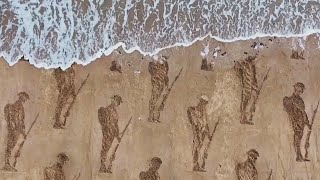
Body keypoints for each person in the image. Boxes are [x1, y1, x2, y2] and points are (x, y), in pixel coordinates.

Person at [2, 92, 29, 172]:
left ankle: (8, 163)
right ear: (21, 98)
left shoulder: (19, 106)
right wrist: (23, 132)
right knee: (10, 146)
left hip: (15, 130)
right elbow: (19, 122)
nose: (25, 100)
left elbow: (21, 121)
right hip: (15, 130)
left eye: (25, 98)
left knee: (12, 146)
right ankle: (7, 164)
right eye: (24, 98)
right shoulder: (18, 107)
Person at [283, 82, 311, 162]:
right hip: (296, 122)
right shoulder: (291, 100)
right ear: (297, 89)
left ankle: (299, 156)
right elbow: (291, 113)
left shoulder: (299, 99)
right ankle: (298, 156)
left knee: (299, 138)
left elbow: (303, 112)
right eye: (300, 89)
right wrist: (295, 122)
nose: (301, 91)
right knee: (297, 138)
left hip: (301, 121)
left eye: (302, 90)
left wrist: (307, 122)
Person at [98, 95, 123, 173]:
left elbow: (115, 124)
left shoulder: (113, 110)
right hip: (108, 132)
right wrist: (115, 134)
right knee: (105, 149)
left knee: (109, 149)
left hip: (112, 133)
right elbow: (110, 124)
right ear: (114, 100)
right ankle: (102, 166)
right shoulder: (109, 110)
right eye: (118, 101)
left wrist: (117, 135)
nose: (119, 103)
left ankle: (106, 166)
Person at [187, 95, 211, 172]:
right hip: (197, 132)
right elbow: (194, 122)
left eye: (205, 103)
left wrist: (209, 135)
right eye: (203, 102)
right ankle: (195, 165)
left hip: (203, 133)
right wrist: (197, 134)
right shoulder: (193, 110)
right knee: (196, 147)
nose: (204, 105)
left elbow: (206, 124)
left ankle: (197, 164)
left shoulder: (204, 113)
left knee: (199, 148)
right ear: (200, 101)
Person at [234, 56, 258, 125]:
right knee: (245, 101)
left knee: (251, 100)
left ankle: (248, 117)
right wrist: (241, 78)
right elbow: (236, 67)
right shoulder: (243, 63)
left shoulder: (252, 65)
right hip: (246, 85)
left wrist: (255, 86)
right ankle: (243, 118)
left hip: (251, 85)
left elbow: (254, 76)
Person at [148, 55, 169, 123]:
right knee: (154, 99)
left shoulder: (165, 66)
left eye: (165, 59)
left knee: (162, 100)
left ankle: (156, 117)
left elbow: (165, 75)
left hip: (163, 85)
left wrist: (166, 86)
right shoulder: (154, 65)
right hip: (156, 84)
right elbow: (151, 70)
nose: (163, 60)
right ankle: (151, 117)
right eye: (162, 59)